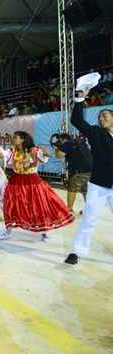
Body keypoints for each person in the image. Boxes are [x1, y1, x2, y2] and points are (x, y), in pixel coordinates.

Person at [64, 76, 113, 265]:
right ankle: (77, 251)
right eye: (100, 116)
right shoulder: (96, 133)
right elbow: (77, 120)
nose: (101, 118)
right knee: (89, 219)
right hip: (98, 185)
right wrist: (79, 99)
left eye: (105, 116)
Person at [0, 131, 73, 241]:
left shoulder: (35, 151)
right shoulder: (12, 151)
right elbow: (3, 155)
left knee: (38, 206)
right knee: (12, 206)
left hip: (32, 182)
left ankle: (44, 230)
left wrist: (46, 154)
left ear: (23, 139)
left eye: (16, 137)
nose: (13, 139)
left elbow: (44, 157)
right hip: (16, 181)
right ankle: (8, 229)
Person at [53, 133, 92, 214]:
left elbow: (59, 155)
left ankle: (69, 209)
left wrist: (56, 148)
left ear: (63, 139)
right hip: (89, 170)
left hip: (78, 171)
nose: (59, 142)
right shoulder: (79, 142)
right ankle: (89, 210)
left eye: (60, 140)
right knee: (85, 190)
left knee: (72, 189)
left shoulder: (67, 143)